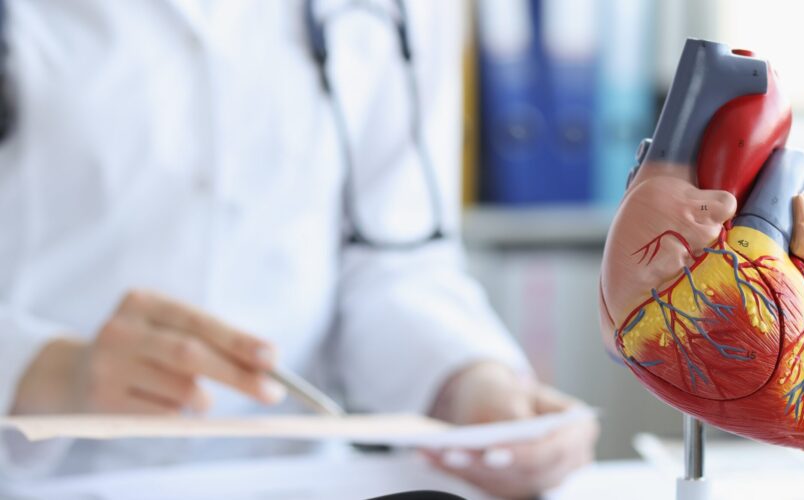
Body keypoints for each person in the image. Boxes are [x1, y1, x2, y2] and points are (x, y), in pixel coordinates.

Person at [0, 1, 596, 497]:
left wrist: (470, 383)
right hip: (46, 477)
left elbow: (393, 259)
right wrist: (42, 368)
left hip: (297, 478)